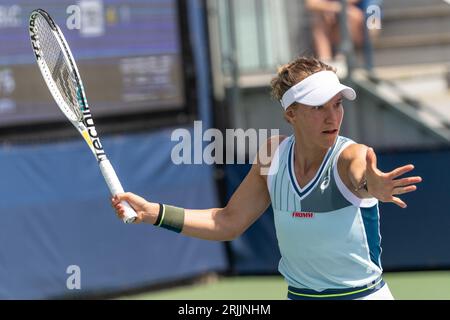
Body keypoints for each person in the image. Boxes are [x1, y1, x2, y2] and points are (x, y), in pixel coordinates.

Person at [111, 56, 422, 300]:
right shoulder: (272, 156)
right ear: (291, 114)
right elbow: (227, 222)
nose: (333, 117)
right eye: (318, 107)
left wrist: (374, 185)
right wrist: (154, 213)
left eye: (337, 104)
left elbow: (362, 176)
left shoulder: (350, 156)